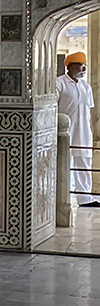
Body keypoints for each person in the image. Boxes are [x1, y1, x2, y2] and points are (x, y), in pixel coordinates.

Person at [58, 51, 97, 206]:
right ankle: (61, 198)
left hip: (83, 131)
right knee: (63, 163)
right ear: (70, 67)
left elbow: (89, 111)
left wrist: (92, 131)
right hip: (65, 131)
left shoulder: (86, 86)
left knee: (84, 163)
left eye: (84, 66)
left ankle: (85, 198)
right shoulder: (59, 83)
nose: (83, 69)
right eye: (80, 65)